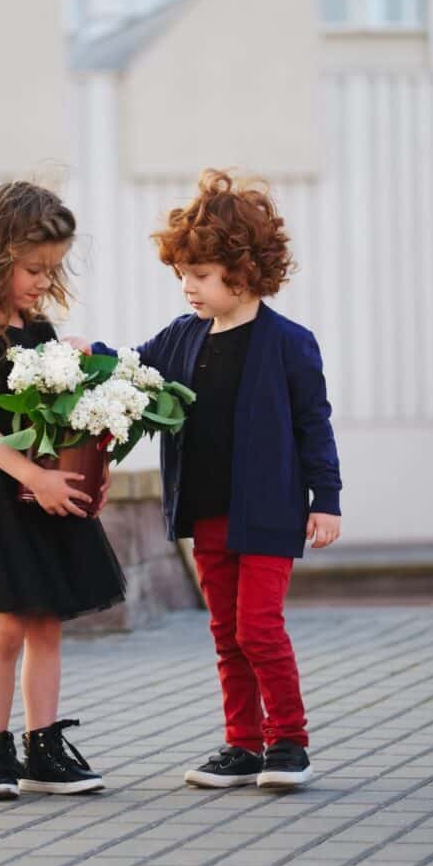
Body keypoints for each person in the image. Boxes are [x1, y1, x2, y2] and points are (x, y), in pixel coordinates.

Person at [70, 169, 342, 790]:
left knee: (258, 628)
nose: (187, 287)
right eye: (182, 275)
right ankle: (244, 745)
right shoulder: (182, 337)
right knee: (226, 632)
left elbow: (314, 425)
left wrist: (326, 501)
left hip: (270, 510)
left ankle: (289, 742)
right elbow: (134, 370)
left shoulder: (289, 344)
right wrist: (92, 355)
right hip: (207, 511)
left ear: (242, 271)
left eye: (200, 274)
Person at [0, 181, 126, 801]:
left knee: (46, 625)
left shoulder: (38, 331)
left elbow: (59, 418)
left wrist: (89, 461)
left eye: (52, 269)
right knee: (7, 626)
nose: (44, 280)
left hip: (40, 494)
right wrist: (35, 475)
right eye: (33, 268)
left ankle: (44, 748)